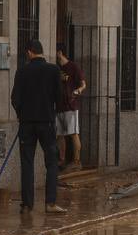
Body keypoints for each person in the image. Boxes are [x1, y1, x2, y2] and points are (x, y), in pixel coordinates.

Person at [11, 40, 66, 214]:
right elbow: (60, 97)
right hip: (46, 123)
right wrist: (51, 111)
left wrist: (21, 115)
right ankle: (50, 203)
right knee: (51, 162)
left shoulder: (22, 71)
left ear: (29, 52)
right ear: (41, 51)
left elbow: (15, 99)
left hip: (26, 124)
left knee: (27, 163)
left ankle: (27, 204)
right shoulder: (53, 70)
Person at [55, 44, 87, 171]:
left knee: (73, 133)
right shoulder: (56, 68)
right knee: (59, 134)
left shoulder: (73, 67)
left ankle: (77, 161)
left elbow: (83, 84)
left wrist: (78, 91)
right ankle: (62, 160)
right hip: (59, 105)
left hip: (70, 105)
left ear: (60, 52)